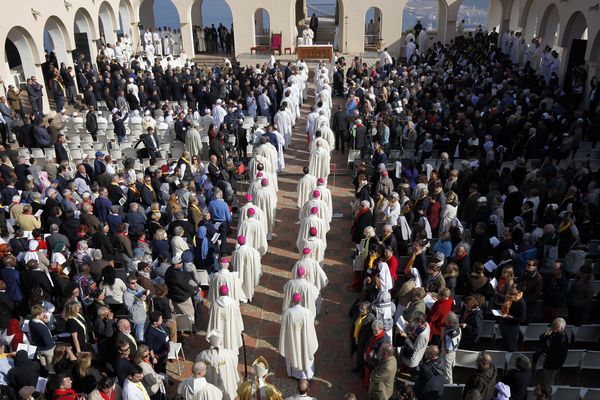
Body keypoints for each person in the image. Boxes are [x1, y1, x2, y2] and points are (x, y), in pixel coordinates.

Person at [279, 292, 318, 380]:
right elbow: (311, 326)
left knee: (293, 351)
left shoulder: (288, 313)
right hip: (305, 339)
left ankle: (294, 373)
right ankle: (308, 374)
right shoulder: (307, 312)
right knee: (305, 351)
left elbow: (284, 329)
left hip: (293, 340)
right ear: (301, 300)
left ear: (292, 300)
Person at [533, 317, 569, 386]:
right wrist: (545, 335)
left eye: (556, 326)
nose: (553, 327)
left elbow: (551, 351)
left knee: (548, 381)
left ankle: (547, 394)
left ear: (562, 328)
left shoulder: (561, 339)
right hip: (548, 360)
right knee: (545, 377)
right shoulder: (554, 332)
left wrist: (544, 352)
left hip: (553, 363)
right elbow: (541, 338)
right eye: (553, 324)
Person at [207, 285, 244, 352]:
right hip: (231, 328)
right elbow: (238, 316)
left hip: (218, 328)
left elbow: (210, 314)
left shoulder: (214, 303)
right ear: (228, 292)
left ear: (219, 292)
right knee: (231, 335)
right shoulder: (233, 303)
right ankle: (232, 351)